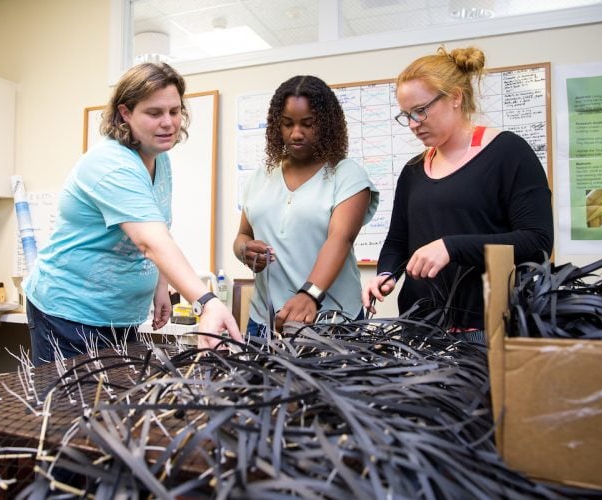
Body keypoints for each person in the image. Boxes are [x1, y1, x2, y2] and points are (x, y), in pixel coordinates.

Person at [24, 62, 242, 366]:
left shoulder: (157, 159)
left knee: (112, 403)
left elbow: (158, 227)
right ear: (125, 113)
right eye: (154, 113)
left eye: (174, 111)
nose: (168, 123)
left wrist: (161, 284)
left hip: (118, 313)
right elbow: (149, 241)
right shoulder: (111, 163)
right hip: (68, 312)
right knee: (71, 409)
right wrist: (204, 302)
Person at [362, 46, 553, 343]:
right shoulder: (413, 171)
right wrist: (386, 273)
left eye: (421, 111)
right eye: (406, 115)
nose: (413, 124)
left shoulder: (507, 153)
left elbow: (537, 241)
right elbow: (398, 242)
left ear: (455, 97)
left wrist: (451, 247)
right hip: (420, 330)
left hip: (487, 329)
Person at [234, 75, 380, 337]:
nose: (296, 133)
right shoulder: (260, 177)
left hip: (331, 320)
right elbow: (243, 235)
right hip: (265, 320)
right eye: (287, 124)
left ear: (325, 125)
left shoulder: (347, 175)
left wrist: (310, 294)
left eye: (308, 124)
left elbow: (341, 238)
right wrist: (245, 250)